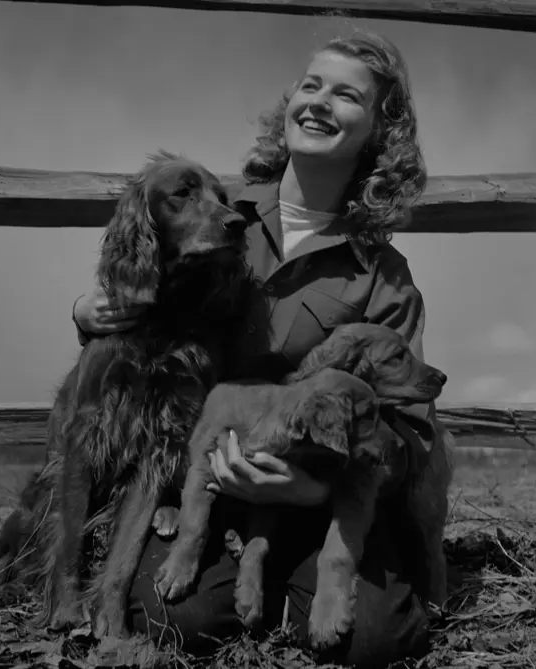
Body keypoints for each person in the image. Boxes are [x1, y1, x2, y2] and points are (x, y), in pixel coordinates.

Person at [72, 31, 449, 669]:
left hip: (321, 493)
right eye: (311, 85)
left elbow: (409, 432)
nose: (320, 102)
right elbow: (141, 301)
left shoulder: (383, 277)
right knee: (172, 620)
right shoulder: (219, 216)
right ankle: (251, 580)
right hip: (209, 481)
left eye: (347, 95)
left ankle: (293, 578)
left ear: (381, 135)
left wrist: (308, 490)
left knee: (374, 642)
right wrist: (87, 314)